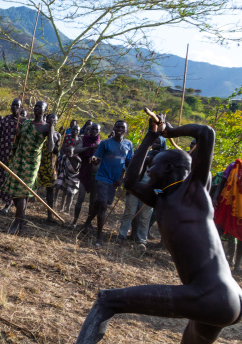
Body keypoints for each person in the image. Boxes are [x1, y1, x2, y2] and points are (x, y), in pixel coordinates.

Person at [76, 116, 242, 344]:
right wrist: (151, 136)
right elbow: (130, 183)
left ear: (169, 168)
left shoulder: (194, 191)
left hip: (213, 294)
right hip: (222, 298)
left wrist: (170, 133)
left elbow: (206, 133)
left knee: (107, 301)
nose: (149, 170)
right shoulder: (162, 201)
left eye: (154, 165)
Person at [3, 101, 55, 235]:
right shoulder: (26, 122)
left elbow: (50, 148)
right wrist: (17, 133)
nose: (37, 108)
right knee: (15, 191)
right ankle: (22, 218)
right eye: (36, 106)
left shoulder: (45, 127)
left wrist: (51, 129)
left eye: (40, 107)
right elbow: (20, 138)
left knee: (23, 193)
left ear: (45, 110)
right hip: (19, 159)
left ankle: (16, 221)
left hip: (31, 163)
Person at [82, 120, 133, 247]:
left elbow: (126, 164)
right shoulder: (105, 143)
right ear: (114, 129)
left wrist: (122, 179)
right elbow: (97, 158)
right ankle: (99, 237)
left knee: (100, 204)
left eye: (123, 127)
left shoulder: (128, 145)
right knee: (103, 206)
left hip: (115, 181)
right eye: (118, 127)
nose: (120, 129)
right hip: (102, 177)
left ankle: (87, 223)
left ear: (126, 130)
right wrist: (93, 160)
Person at [117, 137, 162, 250]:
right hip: (136, 189)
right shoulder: (143, 160)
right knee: (129, 212)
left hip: (150, 193)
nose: (153, 161)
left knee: (145, 216)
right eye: (152, 159)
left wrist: (157, 193)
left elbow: (162, 184)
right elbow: (132, 171)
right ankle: (122, 235)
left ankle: (141, 240)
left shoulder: (162, 166)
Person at [0, 99, 21, 213]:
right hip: (2, 154)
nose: (15, 107)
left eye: (17, 105)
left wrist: (19, 133)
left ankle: (7, 205)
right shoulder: (5, 119)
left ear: (21, 107)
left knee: (10, 180)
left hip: (14, 158)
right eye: (13, 105)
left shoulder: (23, 123)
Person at [214, 160, 242, 273]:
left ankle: (237, 266)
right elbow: (222, 182)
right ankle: (216, 258)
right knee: (218, 230)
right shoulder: (234, 165)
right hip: (228, 203)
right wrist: (215, 197)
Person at [72, 124, 101, 226]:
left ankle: (88, 223)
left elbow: (102, 158)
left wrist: (96, 159)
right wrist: (90, 147)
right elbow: (76, 150)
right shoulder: (84, 140)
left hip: (96, 175)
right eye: (92, 129)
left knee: (93, 201)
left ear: (99, 131)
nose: (93, 131)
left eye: (96, 129)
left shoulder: (102, 143)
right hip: (84, 173)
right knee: (80, 198)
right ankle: (75, 220)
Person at [37, 113, 61, 223]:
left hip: (49, 166)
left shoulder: (57, 135)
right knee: (31, 187)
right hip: (37, 163)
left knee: (50, 190)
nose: (53, 122)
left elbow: (56, 152)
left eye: (54, 120)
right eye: (50, 120)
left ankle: (49, 216)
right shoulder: (40, 131)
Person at [54, 146, 81, 213]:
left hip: (74, 178)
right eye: (67, 152)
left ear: (73, 152)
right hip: (66, 176)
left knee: (71, 194)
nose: (68, 153)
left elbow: (78, 169)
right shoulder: (64, 158)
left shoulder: (76, 159)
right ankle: (62, 207)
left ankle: (67, 209)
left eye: (70, 152)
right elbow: (61, 166)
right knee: (64, 192)